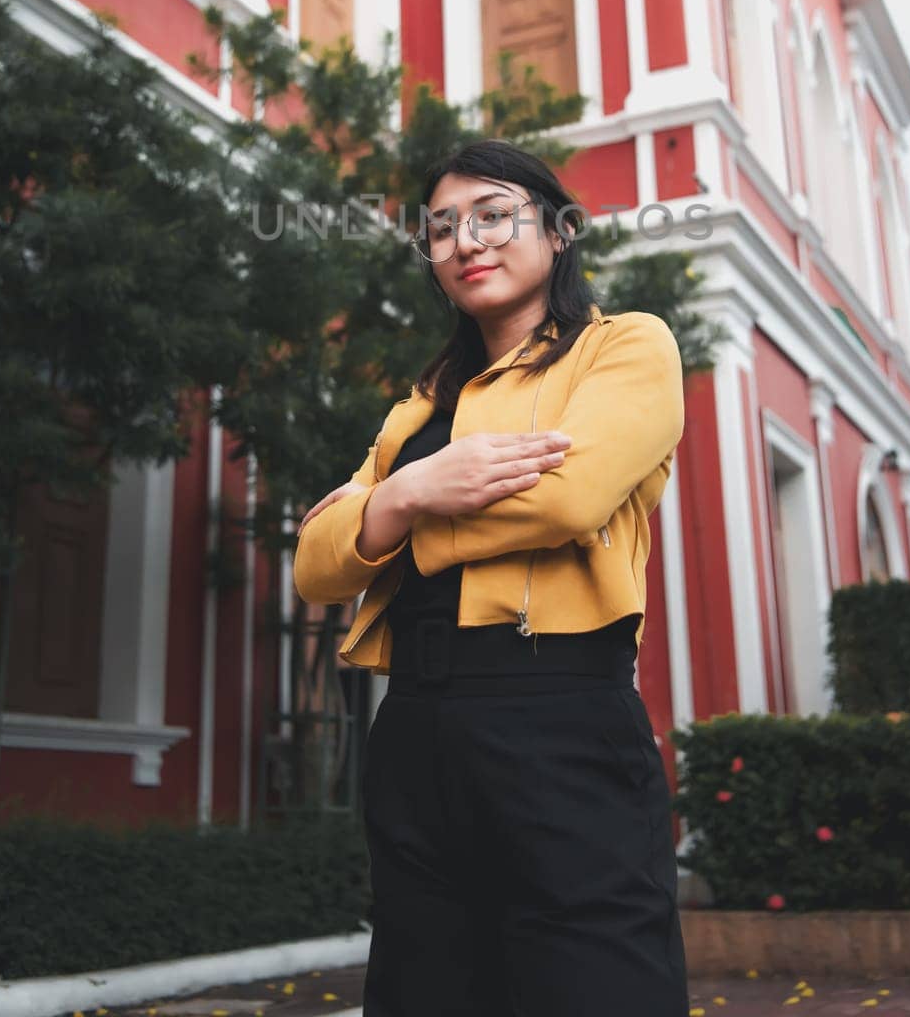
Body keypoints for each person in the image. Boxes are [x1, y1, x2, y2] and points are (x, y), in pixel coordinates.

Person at [294, 138, 690, 1017]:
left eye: (494, 214)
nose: (465, 240)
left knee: (593, 983)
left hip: (559, 716)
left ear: (558, 232)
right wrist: (408, 488)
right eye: (441, 228)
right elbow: (315, 566)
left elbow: (568, 499)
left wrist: (393, 520)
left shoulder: (623, 348)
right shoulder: (422, 405)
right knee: (425, 987)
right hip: (417, 729)